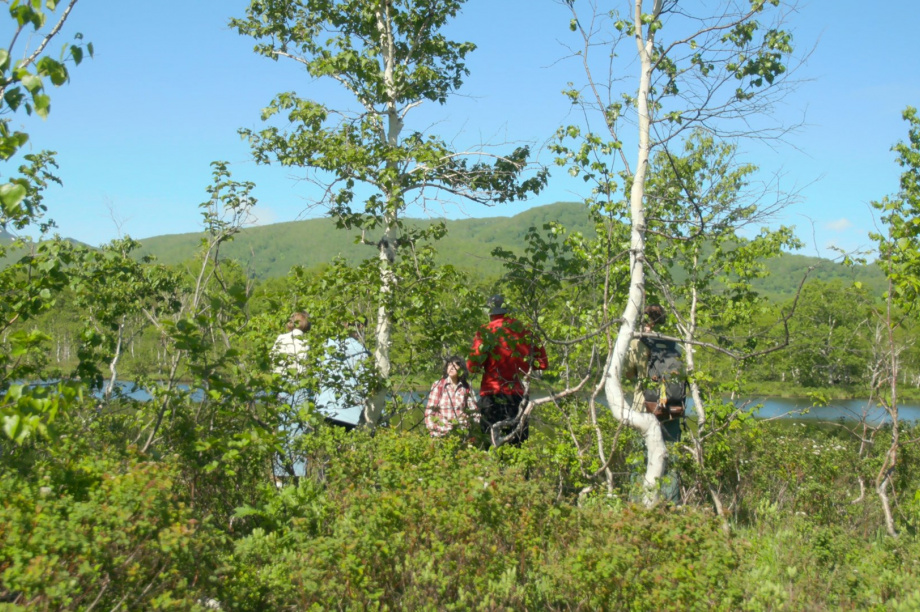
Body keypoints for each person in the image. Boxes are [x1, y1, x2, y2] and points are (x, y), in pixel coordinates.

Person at [624, 304, 686, 504]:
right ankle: (670, 505)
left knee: (641, 459)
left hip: (644, 408)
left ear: (644, 320)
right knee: (670, 458)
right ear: (663, 320)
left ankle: (638, 504)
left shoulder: (637, 342)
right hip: (672, 409)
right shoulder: (673, 345)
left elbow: (628, 372)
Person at [468, 295, 547, 446]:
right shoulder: (526, 330)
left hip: (491, 395)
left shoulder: (485, 331)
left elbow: (473, 366)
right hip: (518, 397)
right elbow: (542, 363)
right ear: (508, 310)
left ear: (490, 312)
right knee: (517, 447)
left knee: (488, 446)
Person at [270, 311, 311, 479]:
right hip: (300, 386)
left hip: (282, 385)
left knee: (283, 428)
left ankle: (280, 474)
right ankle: (298, 474)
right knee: (299, 430)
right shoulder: (306, 342)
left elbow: (272, 360)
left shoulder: (281, 339)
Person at [315, 316, 374, 428]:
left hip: (325, 409)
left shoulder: (325, 346)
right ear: (360, 327)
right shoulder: (361, 353)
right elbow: (367, 384)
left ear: (345, 324)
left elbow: (317, 375)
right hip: (351, 413)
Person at [425, 355, 480, 438]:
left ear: (461, 369)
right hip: (441, 434)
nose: (451, 368)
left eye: (455, 365)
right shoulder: (438, 385)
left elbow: (475, 412)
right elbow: (429, 412)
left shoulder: (466, 387)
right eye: (449, 365)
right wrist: (434, 432)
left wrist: (471, 429)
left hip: (461, 435)